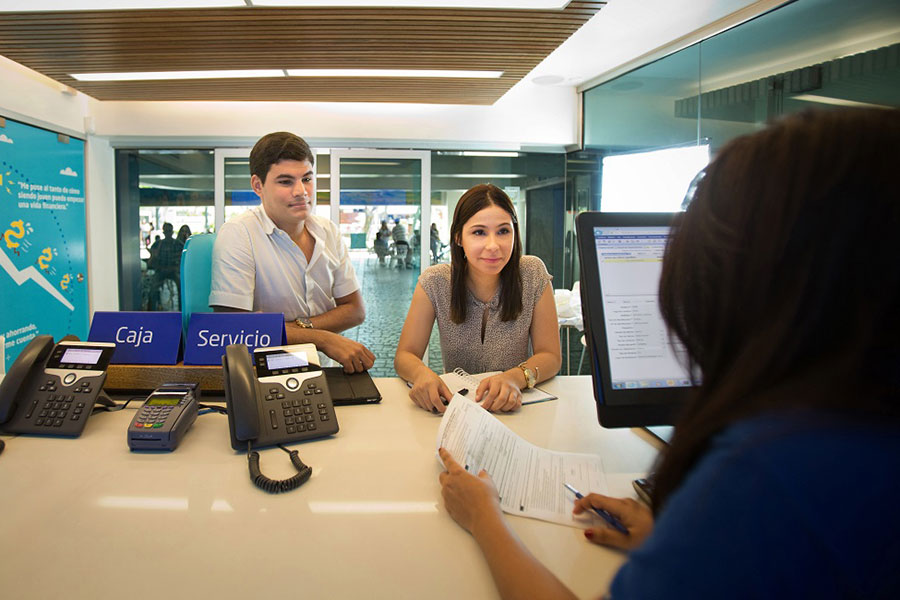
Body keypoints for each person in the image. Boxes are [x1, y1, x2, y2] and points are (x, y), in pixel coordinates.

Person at [437, 108, 900, 599]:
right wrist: (674, 538)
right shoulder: (856, 439)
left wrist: (485, 518)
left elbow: (548, 354)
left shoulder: (773, 475)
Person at [209, 131, 375, 373]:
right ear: (258, 185)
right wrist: (324, 338)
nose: (301, 191)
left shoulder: (328, 231)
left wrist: (294, 327)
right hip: (262, 372)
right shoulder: (239, 233)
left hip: (324, 370)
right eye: (286, 182)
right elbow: (237, 328)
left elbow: (355, 311)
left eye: (307, 179)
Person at [395, 183, 561, 413]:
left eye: (503, 231)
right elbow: (405, 355)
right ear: (459, 238)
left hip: (516, 410)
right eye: (479, 232)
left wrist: (515, 378)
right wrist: (422, 375)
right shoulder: (435, 281)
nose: (493, 245)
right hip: (459, 411)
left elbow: (551, 356)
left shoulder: (532, 273)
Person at [147, 222, 183, 311]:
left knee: (182, 288)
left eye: (169, 231)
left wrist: (177, 267)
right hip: (160, 271)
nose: (167, 233)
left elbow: (183, 260)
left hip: (173, 271)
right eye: (166, 231)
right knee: (153, 289)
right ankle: (150, 312)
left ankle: (182, 310)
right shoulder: (157, 244)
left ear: (172, 232)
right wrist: (154, 256)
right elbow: (150, 263)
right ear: (163, 232)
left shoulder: (179, 244)